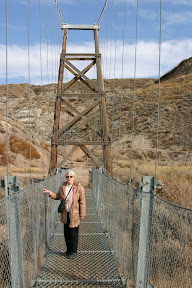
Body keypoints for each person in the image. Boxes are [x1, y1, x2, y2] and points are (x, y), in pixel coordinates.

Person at [43, 169, 86, 259]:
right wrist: (50, 193)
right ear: (65, 178)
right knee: (66, 233)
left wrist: (82, 214)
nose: (69, 178)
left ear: (74, 178)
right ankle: (68, 250)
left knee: (73, 233)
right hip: (65, 214)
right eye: (67, 176)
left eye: (71, 176)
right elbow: (58, 196)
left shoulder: (79, 188)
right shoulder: (62, 187)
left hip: (74, 214)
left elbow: (82, 202)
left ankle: (73, 251)